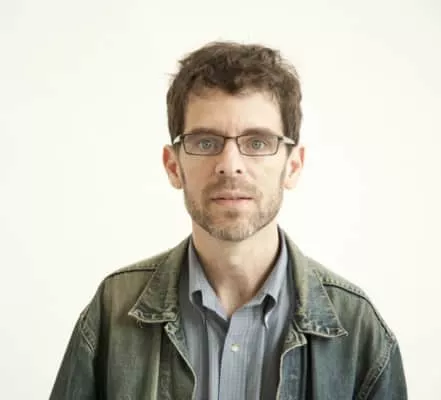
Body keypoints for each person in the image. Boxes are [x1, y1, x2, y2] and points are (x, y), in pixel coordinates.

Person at [50, 41, 407, 400]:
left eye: (257, 143)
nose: (230, 165)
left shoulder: (358, 327)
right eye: (206, 142)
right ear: (173, 166)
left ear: (293, 166)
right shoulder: (113, 309)